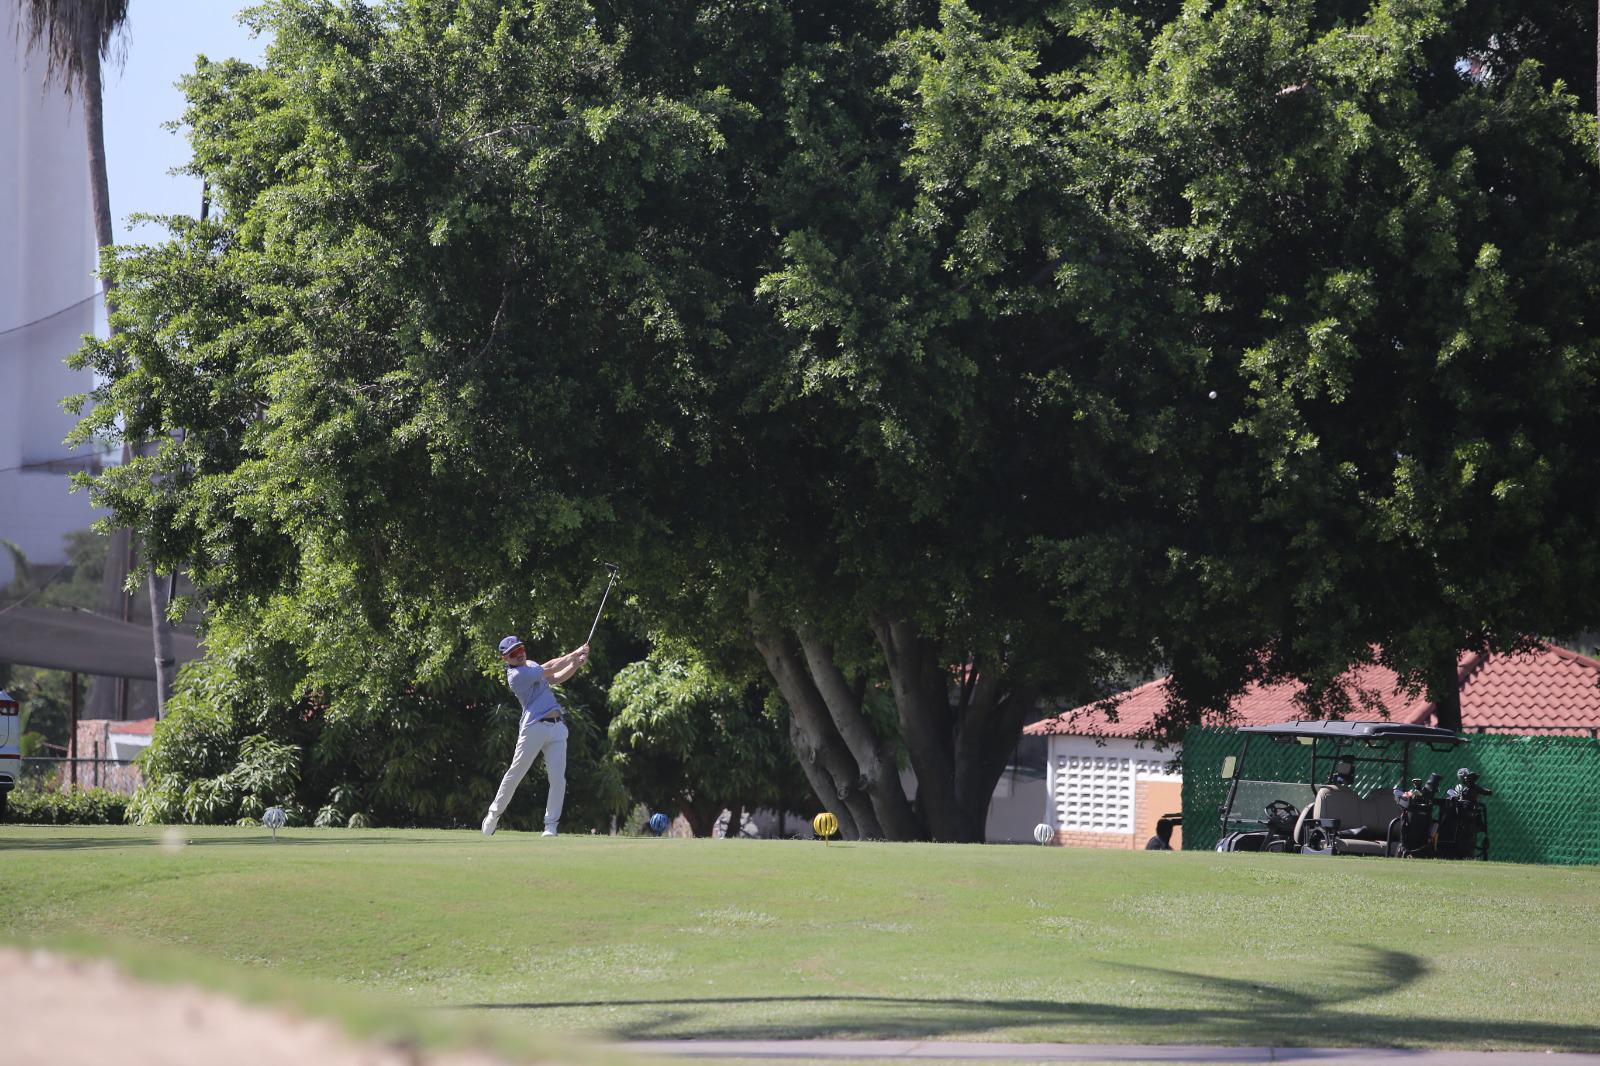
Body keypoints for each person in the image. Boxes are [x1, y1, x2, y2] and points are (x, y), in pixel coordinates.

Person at [482, 635, 590, 837]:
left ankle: (550, 826)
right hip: (533, 728)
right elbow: (550, 667)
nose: (519, 654)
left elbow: (554, 677)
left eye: (520, 649)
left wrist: (576, 664)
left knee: (558, 779)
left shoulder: (530, 665)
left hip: (557, 727)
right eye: (513, 653)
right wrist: (574, 654)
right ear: (506, 659)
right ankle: (493, 814)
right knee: (515, 774)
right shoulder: (516, 675)